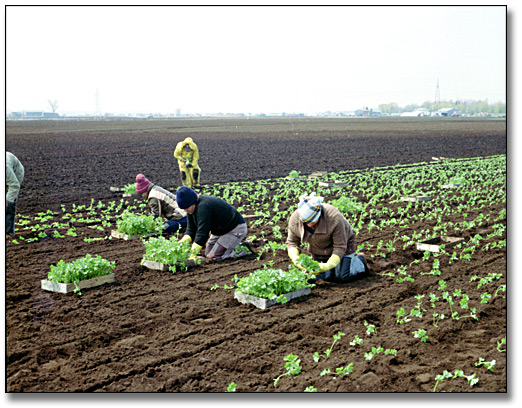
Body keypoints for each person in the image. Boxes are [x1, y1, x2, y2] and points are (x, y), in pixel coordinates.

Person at [286, 192, 369, 283]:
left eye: (312, 222)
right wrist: (295, 258)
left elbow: (340, 247)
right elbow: (292, 242)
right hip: (318, 250)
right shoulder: (295, 218)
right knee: (321, 278)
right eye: (306, 222)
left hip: (344, 247)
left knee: (342, 277)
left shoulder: (334, 218)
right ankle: (332, 269)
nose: (309, 225)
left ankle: (360, 261)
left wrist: (328, 265)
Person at [175, 186, 250, 261]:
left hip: (234, 229)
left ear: (193, 202)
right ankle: (232, 246)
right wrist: (181, 243)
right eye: (183, 208)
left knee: (213, 257)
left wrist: (193, 253)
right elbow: (191, 230)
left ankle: (243, 249)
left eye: (186, 208)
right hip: (220, 231)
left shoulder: (203, 207)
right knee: (207, 253)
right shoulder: (191, 210)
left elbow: (202, 233)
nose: (185, 210)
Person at [6, 152, 24, 236]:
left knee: (9, 204)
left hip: (15, 173)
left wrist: (8, 200)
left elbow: (14, 185)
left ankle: (8, 232)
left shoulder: (5, 168)